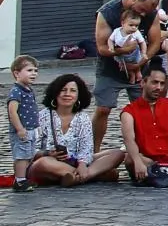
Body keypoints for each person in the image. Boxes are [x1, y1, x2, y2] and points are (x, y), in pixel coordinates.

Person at [91, 0, 162, 152]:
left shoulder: (151, 13)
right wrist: (124, 51)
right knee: (103, 109)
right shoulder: (108, 13)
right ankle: (94, 151)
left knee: (145, 109)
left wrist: (140, 62)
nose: (144, 15)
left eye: (147, 12)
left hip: (139, 68)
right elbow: (102, 48)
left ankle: (147, 149)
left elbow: (155, 42)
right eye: (142, 9)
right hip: (110, 67)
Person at [27, 74, 125, 187]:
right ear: (55, 93)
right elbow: (30, 149)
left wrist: (82, 164)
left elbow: (87, 147)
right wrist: (48, 153)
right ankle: (94, 175)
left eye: (72, 91)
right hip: (49, 164)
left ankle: (76, 177)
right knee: (43, 163)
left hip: (76, 160)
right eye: (63, 90)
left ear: (78, 95)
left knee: (118, 153)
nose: (67, 94)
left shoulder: (82, 118)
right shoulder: (42, 116)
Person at [120, 67, 168, 185]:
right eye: (154, 82)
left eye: (162, 84)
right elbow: (129, 140)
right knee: (130, 160)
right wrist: (138, 162)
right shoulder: (129, 111)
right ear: (143, 83)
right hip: (148, 160)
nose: (158, 87)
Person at [8, 55, 40, 192]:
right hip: (22, 130)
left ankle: (24, 178)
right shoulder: (16, 91)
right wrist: (19, 128)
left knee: (29, 155)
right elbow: (12, 112)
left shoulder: (29, 90)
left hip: (31, 128)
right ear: (17, 73)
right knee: (21, 155)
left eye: (35, 70)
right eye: (29, 70)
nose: (33, 73)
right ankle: (20, 180)